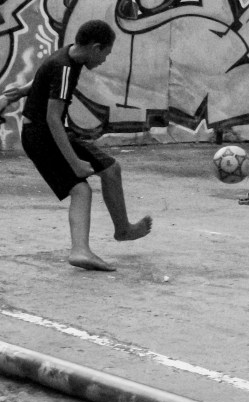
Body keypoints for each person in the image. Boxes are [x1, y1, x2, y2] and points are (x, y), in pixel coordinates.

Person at [19, 20, 152, 271]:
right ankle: (80, 250)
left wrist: (23, 92)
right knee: (81, 190)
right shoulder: (65, 67)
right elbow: (52, 118)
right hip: (41, 134)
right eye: (106, 53)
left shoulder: (69, 57)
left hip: (45, 131)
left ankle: (123, 229)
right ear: (95, 47)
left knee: (111, 170)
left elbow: (45, 76)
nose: (104, 60)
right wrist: (75, 163)